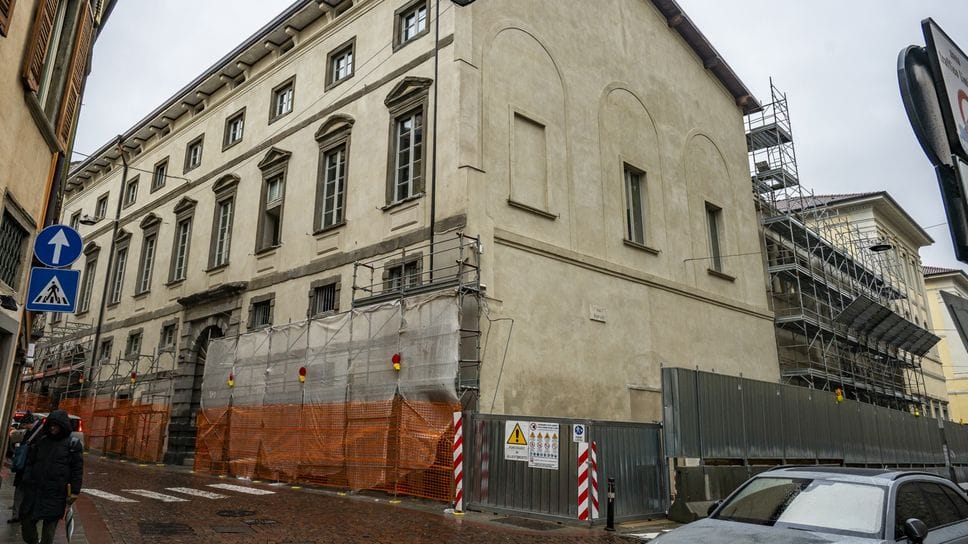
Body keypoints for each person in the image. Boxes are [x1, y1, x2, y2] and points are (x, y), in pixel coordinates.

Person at [18, 410, 82, 544]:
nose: (53, 428)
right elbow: (31, 462)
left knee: (48, 532)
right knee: (27, 523)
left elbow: (77, 470)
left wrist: (74, 491)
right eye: (51, 425)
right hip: (35, 489)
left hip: (56, 492)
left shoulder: (73, 444)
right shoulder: (42, 441)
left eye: (56, 425)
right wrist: (27, 479)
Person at [8, 412, 41, 522]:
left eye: (24, 425)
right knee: (23, 491)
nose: (23, 427)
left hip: (27, 468)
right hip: (28, 468)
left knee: (21, 491)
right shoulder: (36, 431)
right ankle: (19, 514)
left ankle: (18, 514)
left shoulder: (36, 432)